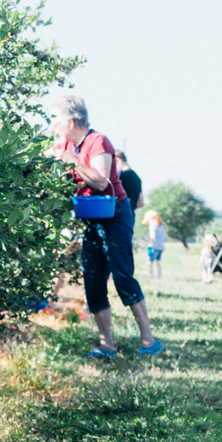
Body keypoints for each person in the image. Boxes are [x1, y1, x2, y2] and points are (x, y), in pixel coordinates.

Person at [52, 94, 163, 359]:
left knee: (123, 277)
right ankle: (106, 346)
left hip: (114, 216)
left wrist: (73, 162)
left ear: (70, 121)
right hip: (92, 220)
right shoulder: (69, 145)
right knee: (92, 280)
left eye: (56, 120)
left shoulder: (97, 141)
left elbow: (101, 183)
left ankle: (149, 341)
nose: (53, 126)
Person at [116, 151, 144, 220]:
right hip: (131, 217)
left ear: (118, 160)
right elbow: (141, 203)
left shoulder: (119, 176)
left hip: (118, 218)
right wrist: (131, 206)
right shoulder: (137, 178)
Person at [143, 210, 167, 278]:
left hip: (154, 247)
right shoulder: (161, 226)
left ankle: (150, 276)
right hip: (161, 247)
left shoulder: (152, 226)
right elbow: (166, 236)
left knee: (150, 262)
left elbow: (152, 237)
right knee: (158, 263)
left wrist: (145, 244)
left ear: (151, 219)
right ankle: (159, 277)